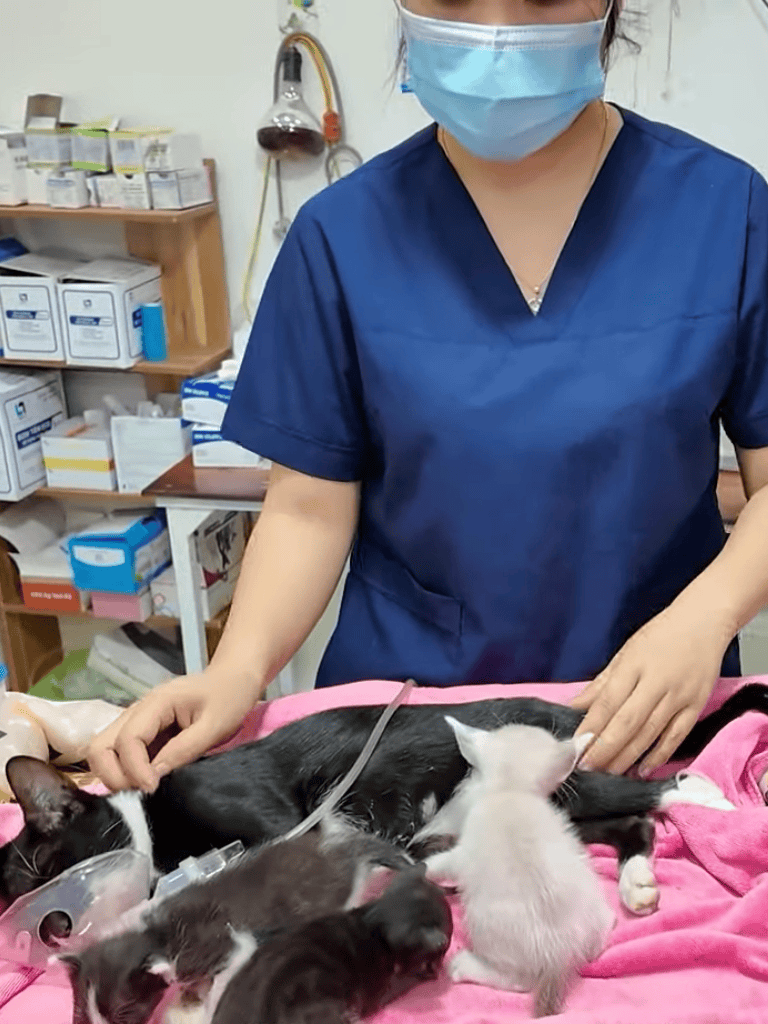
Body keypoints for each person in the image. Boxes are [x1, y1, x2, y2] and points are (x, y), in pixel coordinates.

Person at [89, 0, 768, 795]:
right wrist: (236, 669)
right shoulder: (340, 234)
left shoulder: (728, 212)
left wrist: (708, 615)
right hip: (407, 735)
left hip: (642, 722)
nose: (498, 28)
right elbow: (308, 508)